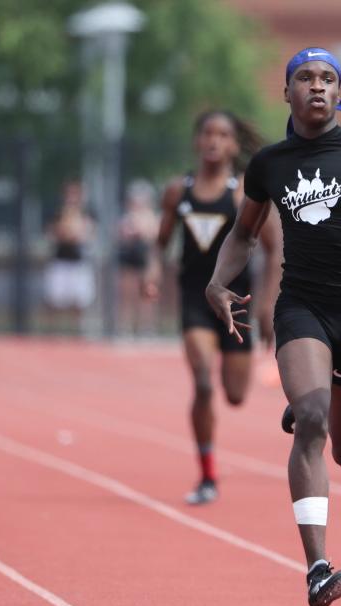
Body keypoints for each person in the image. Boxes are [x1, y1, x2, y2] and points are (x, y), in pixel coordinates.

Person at [205, 48, 341, 606]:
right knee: (312, 421)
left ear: (338, 91)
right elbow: (243, 234)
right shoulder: (269, 164)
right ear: (287, 92)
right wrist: (216, 282)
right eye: (305, 78)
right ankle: (318, 568)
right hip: (302, 307)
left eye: (328, 79)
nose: (317, 87)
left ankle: (312, 393)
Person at [144, 110, 282, 506]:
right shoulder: (178, 191)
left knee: (235, 395)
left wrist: (268, 304)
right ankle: (207, 475)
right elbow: (160, 242)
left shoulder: (244, 194)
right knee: (203, 382)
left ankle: (212, 451)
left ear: (235, 145)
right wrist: (152, 271)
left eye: (223, 135)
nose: (214, 141)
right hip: (196, 300)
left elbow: (275, 251)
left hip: (238, 304)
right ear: (196, 140)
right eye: (207, 133)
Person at [43, 180, 95, 333]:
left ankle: (77, 332)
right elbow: (51, 233)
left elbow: (89, 234)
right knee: (55, 300)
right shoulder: (57, 212)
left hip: (79, 261)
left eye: (75, 193)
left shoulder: (87, 212)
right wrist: (64, 231)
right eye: (69, 193)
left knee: (80, 301)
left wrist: (77, 232)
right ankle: (54, 332)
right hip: (60, 259)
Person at [117, 179, 160, 336]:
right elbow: (121, 237)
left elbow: (155, 237)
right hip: (129, 259)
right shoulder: (126, 218)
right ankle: (126, 327)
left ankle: (146, 328)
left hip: (146, 259)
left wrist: (143, 231)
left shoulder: (152, 217)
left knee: (147, 294)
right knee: (127, 295)